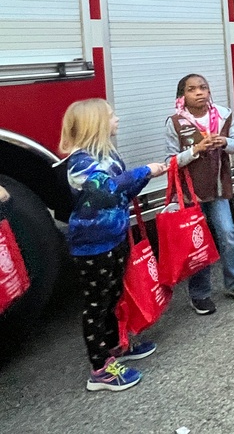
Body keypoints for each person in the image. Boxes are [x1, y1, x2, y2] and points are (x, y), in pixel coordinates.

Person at [60, 99, 167, 391]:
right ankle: (100, 371)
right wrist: (144, 170)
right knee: (96, 304)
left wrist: (147, 176)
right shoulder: (80, 163)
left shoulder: (110, 156)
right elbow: (106, 190)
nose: (117, 119)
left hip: (115, 238)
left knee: (113, 296)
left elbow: (125, 190)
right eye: (111, 116)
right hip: (92, 247)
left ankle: (114, 346)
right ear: (96, 124)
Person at [166, 74, 234, 315]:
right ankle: (200, 294)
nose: (199, 92)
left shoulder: (223, 115)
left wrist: (224, 141)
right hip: (190, 195)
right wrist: (195, 150)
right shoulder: (175, 123)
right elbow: (170, 161)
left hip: (217, 188)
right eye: (192, 89)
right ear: (182, 95)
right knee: (198, 243)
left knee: (228, 234)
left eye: (203, 88)